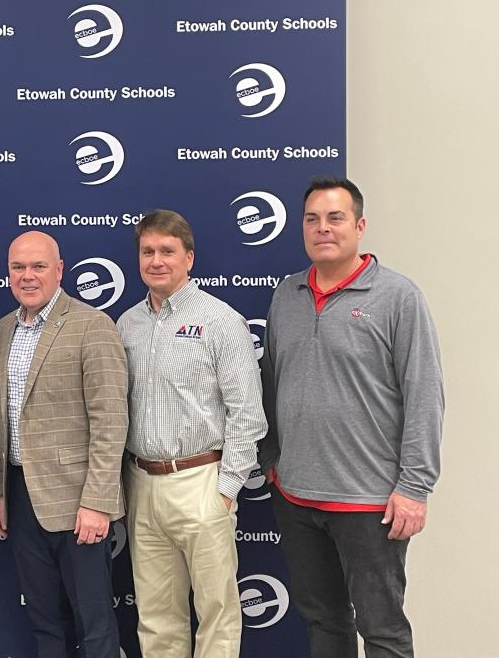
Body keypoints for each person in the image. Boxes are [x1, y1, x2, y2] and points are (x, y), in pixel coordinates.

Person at [258, 176, 444, 658]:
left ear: (359, 226)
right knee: (325, 623)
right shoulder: (287, 294)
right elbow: (273, 379)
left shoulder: (397, 297)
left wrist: (415, 487)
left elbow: (425, 393)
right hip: (296, 497)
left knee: (382, 631)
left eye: (335, 218)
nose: (323, 228)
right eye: (312, 219)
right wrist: (275, 460)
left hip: (369, 502)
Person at [116, 210, 267, 658]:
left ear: (189, 258)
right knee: (156, 616)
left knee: (217, 613)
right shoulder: (127, 325)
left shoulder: (220, 321)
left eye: (167, 251)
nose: (156, 261)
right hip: (143, 485)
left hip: (202, 482)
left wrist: (225, 488)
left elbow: (247, 413)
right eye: (148, 251)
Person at [0, 230, 128, 658]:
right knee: (44, 620)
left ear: (60, 270)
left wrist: (99, 501)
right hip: (20, 496)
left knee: (95, 620)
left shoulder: (92, 325)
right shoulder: (2, 330)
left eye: (38, 266)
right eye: (18, 267)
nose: (27, 276)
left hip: (78, 499)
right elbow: (2, 417)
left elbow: (110, 419)